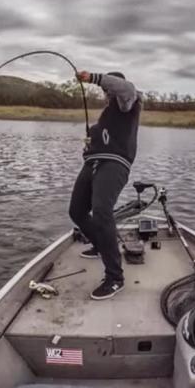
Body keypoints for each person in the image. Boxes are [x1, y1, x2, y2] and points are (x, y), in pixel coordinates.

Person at [69, 70, 142, 300]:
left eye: (108, 88)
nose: (106, 92)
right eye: (104, 90)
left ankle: (115, 278)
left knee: (101, 211)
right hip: (92, 164)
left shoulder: (129, 101)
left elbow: (126, 88)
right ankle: (101, 245)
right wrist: (90, 146)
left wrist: (93, 77)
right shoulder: (106, 115)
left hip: (115, 165)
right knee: (77, 211)